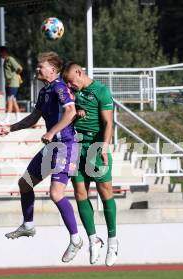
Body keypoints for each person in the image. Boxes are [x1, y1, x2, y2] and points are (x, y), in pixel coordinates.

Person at [0, 52, 82, 263]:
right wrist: (11, 128)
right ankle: (28, 225)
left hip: (65, 146)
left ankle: (75, 239)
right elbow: (34, 118)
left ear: (53, 70)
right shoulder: (45, 91)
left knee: (56, 193)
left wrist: (52, 132)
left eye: (41, 66)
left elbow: (70, 112)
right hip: (52, 147)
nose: (37, 69)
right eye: (37, 66)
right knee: (24, 183)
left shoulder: (60, 87)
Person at [62, 62, 119, 266]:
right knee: (80, 193)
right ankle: (93, 239)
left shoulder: (101, 91)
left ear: (79, 72)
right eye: (67, 83)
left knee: (105, 192)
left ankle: (112, 241)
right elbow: (66, 112)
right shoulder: (71, 93)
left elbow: (108, 123)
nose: (70, 85)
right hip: (77, 147)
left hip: (96, 146)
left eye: (71, 81)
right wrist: (76, 112)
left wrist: (104, 146)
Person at [0, 46, 23, 122]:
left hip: (13, 83)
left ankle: (7, 118)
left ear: (4, 52)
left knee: (10, 99)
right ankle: (18, 118)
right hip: (9, 83)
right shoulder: (6, 60)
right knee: (13, 100)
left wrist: (15, 75)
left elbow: (20, 68)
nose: (0, 55)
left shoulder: (10, 59)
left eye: (0, 53)